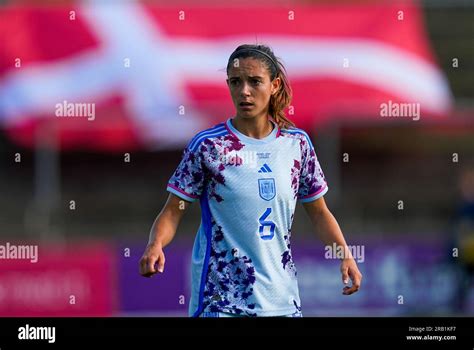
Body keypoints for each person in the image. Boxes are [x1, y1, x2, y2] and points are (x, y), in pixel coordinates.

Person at [139, 44, 362, 317]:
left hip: (282, 302)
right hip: (220, 301)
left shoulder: (297, 145)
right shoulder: (209, 146)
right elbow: (173, 211)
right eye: (236, 82)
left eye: (255, 81)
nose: (244, 91)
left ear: (274, 85)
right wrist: (155, 244)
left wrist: (345, 255)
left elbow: (319, 212)